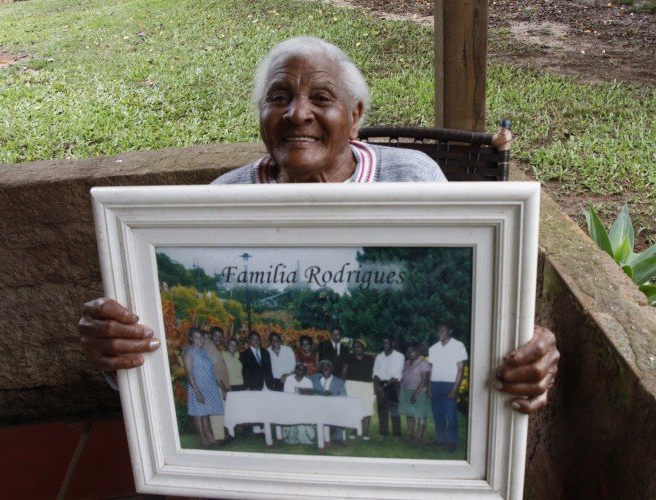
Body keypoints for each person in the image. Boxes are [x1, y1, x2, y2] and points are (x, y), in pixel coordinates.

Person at [78, 36, 559, 417]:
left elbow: (468, 297)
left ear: (354, 117)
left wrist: (518, 348)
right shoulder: (223, 198)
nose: (297, 113)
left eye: (321, 97)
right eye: (279, 97)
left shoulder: (415, 177)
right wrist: (118, 354)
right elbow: (162, 351)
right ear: (263, 116)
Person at [427, 323, 468, 453]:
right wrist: (429, 387)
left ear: (450, 331)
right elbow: (431, 369)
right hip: (436, 385)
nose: (440, 333)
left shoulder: (458, 346)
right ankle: (440, 439)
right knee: (437, 414)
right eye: (438, 331)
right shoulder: (433, 348)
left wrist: (455, 389)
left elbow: (460, 369)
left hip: (450, 385)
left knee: (451, 416)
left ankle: (452, 442)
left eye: (443, 330)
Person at [182, 327, 224, 447]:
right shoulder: (189, 352)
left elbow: (210, 370)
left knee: (206, 413)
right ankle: (202, 438)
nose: (200, 340)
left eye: (201, 337)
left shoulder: (204, 352)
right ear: (191, 339)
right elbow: (189, 373)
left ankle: (209, 437)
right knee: (199, 414)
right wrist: (197, 391)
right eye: (197, 338)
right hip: (197, 387)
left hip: (208, 386)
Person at [342, 338, 376, 440]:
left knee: (367, 408)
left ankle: (365, 431)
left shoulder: (370, 359)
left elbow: (374, 373)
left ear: (363, 348)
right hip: (352, 385)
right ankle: (355, 429)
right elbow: (344, 372)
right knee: (354, 408)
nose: (357, 349)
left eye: (359, 347)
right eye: (355, 347)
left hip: (367, 386)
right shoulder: (349, 358)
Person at [399, 342, 431, 445]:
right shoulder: (406, 363)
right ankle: (410, 435)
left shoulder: (423, 363)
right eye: (407, 351)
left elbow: (424, 380)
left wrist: (415, 394)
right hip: (407, 391)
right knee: (410, 414)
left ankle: (419, 438)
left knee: (420, 415)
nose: (409, 353)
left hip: (420, 392)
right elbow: (403, 379)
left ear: (417, 352)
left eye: (411, 351)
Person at [372, 337, 404, 437]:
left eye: (387, 342)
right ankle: (383, 433)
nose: (385, 345)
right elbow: (375, 373)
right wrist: (377, 387)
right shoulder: (379, 357)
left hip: (393, 384)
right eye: (383, 343)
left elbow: (397, 374)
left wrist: (384, 387)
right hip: (380, 384)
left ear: (392, 343)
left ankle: (397, 434)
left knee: (394, 411)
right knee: (382, 410)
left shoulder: (399, 356)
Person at [312, 359, 348, 444]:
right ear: (320, 369)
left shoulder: (339, 382)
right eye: (323, 366)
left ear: (331, 368)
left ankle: (337, 437)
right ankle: (321, 435)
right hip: (318, 407)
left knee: (341, 411)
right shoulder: (315, 379)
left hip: (334, 407)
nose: (325, 367)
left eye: (327, 366)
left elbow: (343, 396)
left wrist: (331, 397)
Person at [281, 363, 316, 445]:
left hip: (304, 406)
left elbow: (309, 398)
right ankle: (295, 435)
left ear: (305, 372)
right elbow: (287, 396)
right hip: (291, 406)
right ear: (295, 370)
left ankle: (303, 436)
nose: (300, 371)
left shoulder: (308, 381)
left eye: (302, 370)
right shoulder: (289, 379)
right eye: (298, 369)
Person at [206, 326, 231, 441]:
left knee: (219, 412)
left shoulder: (214, 348)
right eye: (216, 336)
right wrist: (220, 385)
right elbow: (210, 369)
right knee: (216, 413)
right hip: (215, 386)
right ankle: (219, 438)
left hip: (219, 386)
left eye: (221, 337)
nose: (219, 339)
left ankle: (220, 436)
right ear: (210, 336)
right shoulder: (208, 347)